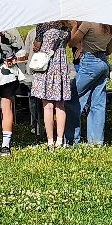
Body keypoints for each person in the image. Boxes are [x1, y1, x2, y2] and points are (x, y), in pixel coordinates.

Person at [68, 20, 112, 146]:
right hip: (103, 63)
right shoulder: (111, 26)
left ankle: (72, 139)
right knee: (98, 102)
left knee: (72, 98)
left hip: (89, 62)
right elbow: (109, 51)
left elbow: (72, 42)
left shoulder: (88, 24)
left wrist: (73, 26)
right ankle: (96, 141)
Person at [29, 20, 75, 148]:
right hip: (60, 65)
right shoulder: (66, 27)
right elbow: (67, 44)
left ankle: (50, 140)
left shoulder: (43, 25)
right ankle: (60, 139)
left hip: (46, 65)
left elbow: (37, 46)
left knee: (47, 106)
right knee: (60, 104)